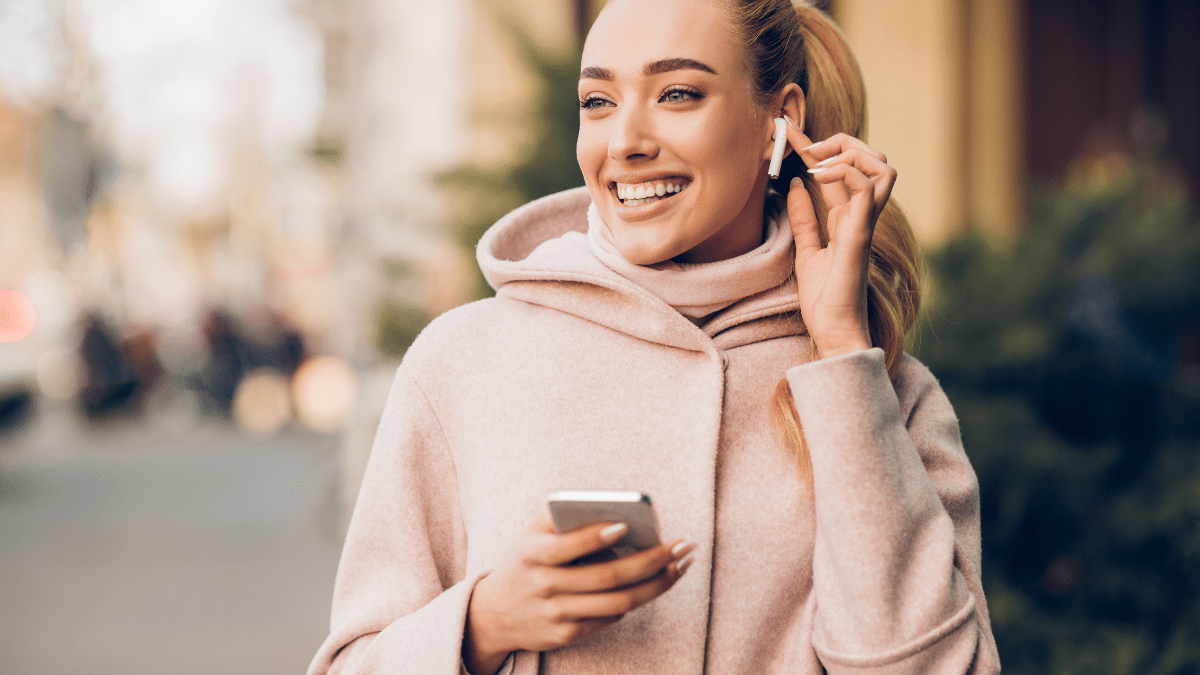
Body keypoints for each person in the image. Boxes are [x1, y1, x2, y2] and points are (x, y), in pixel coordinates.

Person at [307, 0, 1001, 673]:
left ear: (780, 120)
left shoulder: (888, 393)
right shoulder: (462, 363)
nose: (626, 142)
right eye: (598, 102)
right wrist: (484, 624)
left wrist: (844, 353)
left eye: (677, 94)